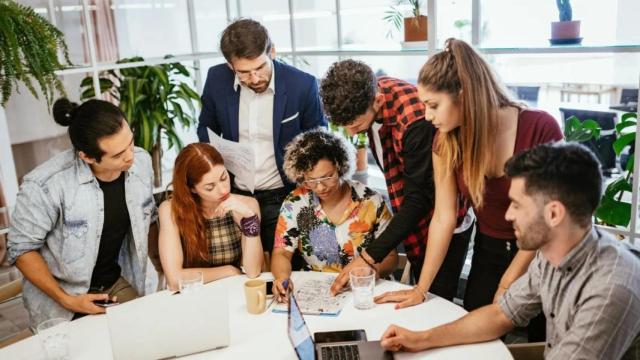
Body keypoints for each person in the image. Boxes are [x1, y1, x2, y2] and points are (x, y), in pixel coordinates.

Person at [375, 39, 562, 342]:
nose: (426, 116)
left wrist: (508, 282)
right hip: (489, 248)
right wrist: (421, 289)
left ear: (464, 96)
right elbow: (443, 218)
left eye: (433, 105)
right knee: (476, 324)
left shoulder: (540, 127)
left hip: (542, 253)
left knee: (542, 338)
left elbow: (547, 221)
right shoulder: (445, 141)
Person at [380, 142, 640, 359]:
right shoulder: (552, 254)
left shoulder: (611, 289)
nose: (508, 214)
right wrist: (421, 339)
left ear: (553, 213)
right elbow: (500, 314)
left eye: (516, 205)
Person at [321, 59, 473, 302]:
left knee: (435, 302)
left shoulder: (417, 122)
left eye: (355, 125)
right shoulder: (367, 93)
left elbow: (419, 200)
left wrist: (368, 257)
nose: (351, 133)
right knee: (416, 299)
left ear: (377, 101)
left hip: (445, 225)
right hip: (417, 219)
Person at [7, 98, 155, 329]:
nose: (130, 156)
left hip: (115, 283)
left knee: (147, 336)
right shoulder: (46, 185)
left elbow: (150, 220)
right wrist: (69, 300)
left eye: (130, 142)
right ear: (86, 157)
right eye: (117, 155)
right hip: (62, 300)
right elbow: (21, 249)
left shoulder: (141, 162)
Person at [197, 19, 326, 255]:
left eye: (260, 68)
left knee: (286, 269)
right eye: (244, 73)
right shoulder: (216, 79)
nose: (255, 78)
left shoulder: (302, 85)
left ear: (272, 52)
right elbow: (205, 128)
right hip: (234, 195)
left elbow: (320, 143)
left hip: (285, 196)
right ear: (229, 65)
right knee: (247, 270)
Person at [271, 129, 398, 300]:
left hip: (365, 292)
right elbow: (282, 253)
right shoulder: (295, 203)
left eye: (327, 177)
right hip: (318, 294)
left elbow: (391, 257)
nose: (321, 187)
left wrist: (372, 271)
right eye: (311, 181)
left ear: (340, 166)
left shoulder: (371, 201)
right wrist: (282, 278)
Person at [158, 143, 263, 291]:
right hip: (192, 295)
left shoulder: (247, 206)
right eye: (210, 187)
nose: (223, 189)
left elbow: (253, 272)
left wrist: (250, 218)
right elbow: (175, 280)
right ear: (192, 189)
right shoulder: (170, 210)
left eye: (223, 177)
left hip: (232, 291)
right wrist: (229, 271)